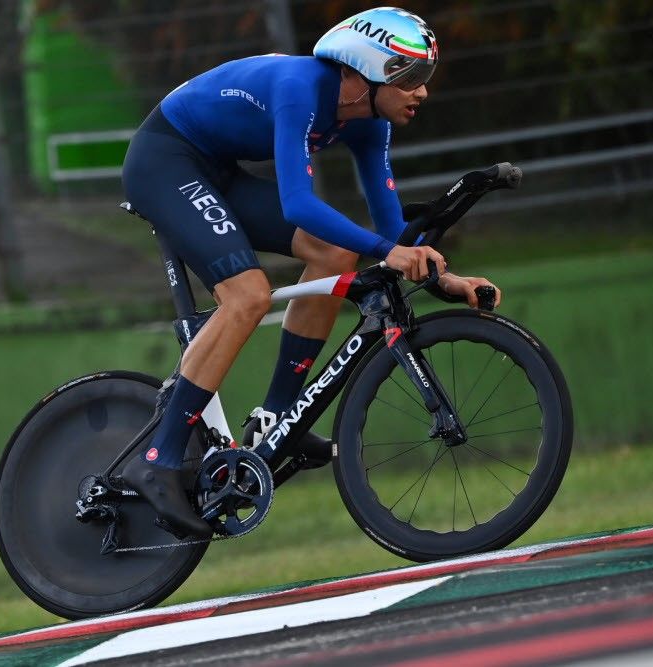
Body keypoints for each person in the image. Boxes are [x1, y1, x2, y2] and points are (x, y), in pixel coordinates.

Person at [120, 7, 499, 537]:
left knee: (335, 255)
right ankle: (158, 458)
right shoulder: (302, 88)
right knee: (247, 296)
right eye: (410, 77)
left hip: (215, 170)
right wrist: (386, 252)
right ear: (367, 70)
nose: (422, 93)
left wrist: (447, 281)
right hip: (164, 161)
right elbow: (299, 204)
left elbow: (392, 233)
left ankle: (279, 422)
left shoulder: (369, 123)